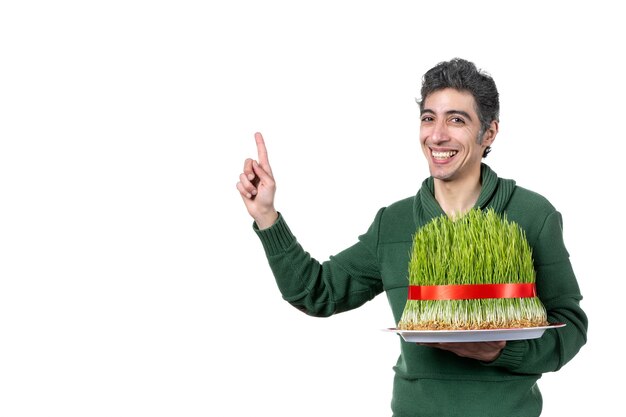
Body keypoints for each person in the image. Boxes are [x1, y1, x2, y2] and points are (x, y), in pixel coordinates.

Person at [236, 58, 588, 417]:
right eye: (428, 118)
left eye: (457, 119)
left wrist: (501, 351)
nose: (437, 135)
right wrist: (267, 216)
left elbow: (571, 326)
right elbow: (317, 293)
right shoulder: (395, 223)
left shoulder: (531, 215)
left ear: (490, 133)